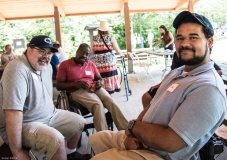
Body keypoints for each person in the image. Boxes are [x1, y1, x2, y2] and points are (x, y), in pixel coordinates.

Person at [88, 11, 227, 160]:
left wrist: (132, 127)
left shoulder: (208, 88)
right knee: (98, 138)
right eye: (180, 38)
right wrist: (134, 131)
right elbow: (151, 105)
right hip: (142, 139)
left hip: (158, 154)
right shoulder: (177, 73)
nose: (185, 43)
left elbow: (170, 142)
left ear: (210, 42)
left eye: (193, 37)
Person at [0, 35, 91, 160]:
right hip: (25, 123)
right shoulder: (17, 69)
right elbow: (12, 113)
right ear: (28, 48)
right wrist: (17, 151)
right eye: (41, 51)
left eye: (49, 53)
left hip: (49, 115)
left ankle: (71, 154)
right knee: (57, 141)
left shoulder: (46, 67)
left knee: (79, 122)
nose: (46, 56)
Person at [56, 43, 128, 132]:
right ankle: (104, 136)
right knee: (97, 104)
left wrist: (100, 82)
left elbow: (99, 78)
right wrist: (75, 84)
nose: (84, 55)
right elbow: (58, 85)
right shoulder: (65, 65)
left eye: (87, 54)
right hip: (77, 90)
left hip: (93, 87)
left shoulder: (90, 63)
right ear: (77, 51)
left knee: (110, 101)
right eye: (82, 52)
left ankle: (126, 130)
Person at [142, 51, 223, 108]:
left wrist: (194, 76)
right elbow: (172, 73)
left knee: (165, 102)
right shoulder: (176, 54)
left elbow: (218, 71)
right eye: (180, 38)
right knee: (146, 97)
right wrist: (161, 84)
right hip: (173, 84)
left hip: (187, 86)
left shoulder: (196, 56)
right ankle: (148, 120)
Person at [90, 21, 124, 94]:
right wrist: (121, 54)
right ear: (107, 29)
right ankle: (110, 94)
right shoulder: (111, 37)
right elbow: (117, 50)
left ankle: (102, 93)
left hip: (98, 63)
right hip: (109, 63)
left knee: (100, 77)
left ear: (99, 30)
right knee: (109, 78)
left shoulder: (94, 38)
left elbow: (92, 52)